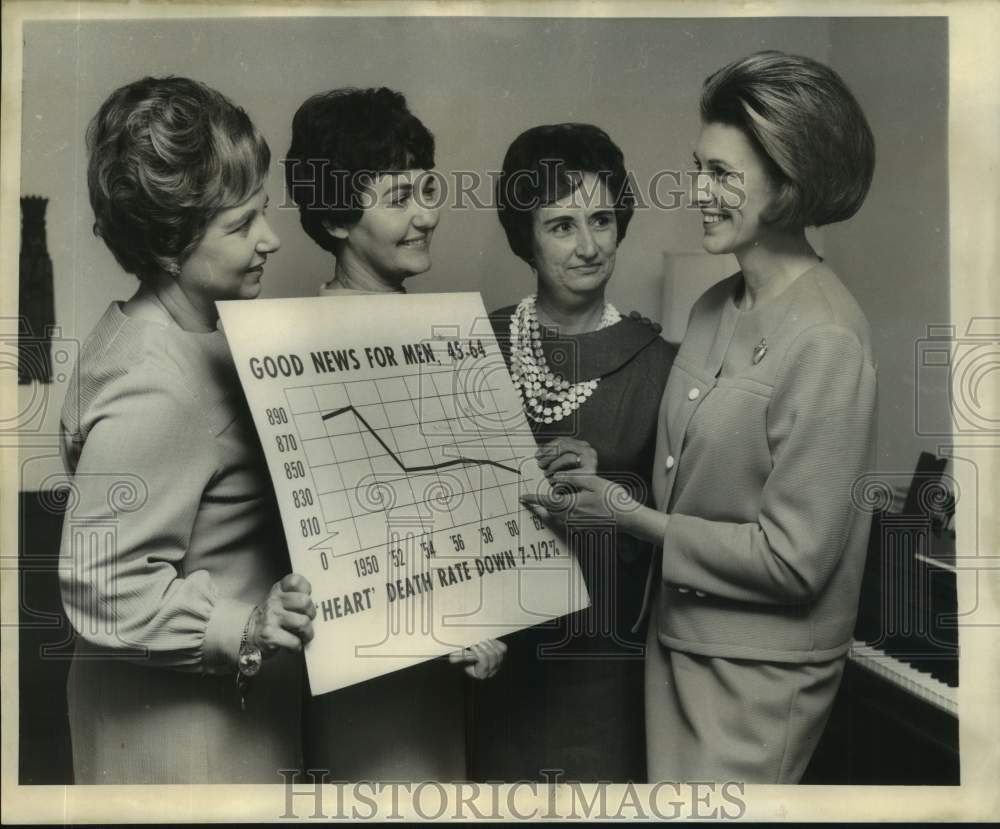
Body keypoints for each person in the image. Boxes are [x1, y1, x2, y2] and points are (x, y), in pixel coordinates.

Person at [524, 51, 878, 783]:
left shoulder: (829, 338)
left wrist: (631, 516)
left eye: (723, 175)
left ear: (788, 182)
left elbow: (793, 560)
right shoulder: (713, 305)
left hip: (757, 682)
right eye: (698, 167)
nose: (697, 192)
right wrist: (613, 480)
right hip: (673, 648)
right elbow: (700, 484)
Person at [59, 76, 315, 784]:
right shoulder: (155, 379)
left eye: (261, 212)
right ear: (170, 245)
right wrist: (247, 626)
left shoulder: (190, 331)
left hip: (225, 711)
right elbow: (98, 577)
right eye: (240, 226)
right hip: (184, 739)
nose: (270, 238)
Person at [285, 86, 506, 780]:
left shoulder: (442, 335)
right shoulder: (299, 350)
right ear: (336, 218)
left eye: (428, 190)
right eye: (399, 198)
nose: (428, 215)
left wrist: (486, 617)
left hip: (443, 677)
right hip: (366, 677)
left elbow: (466, 505)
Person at [467, 123, 676, 782]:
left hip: (599, 667)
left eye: (602, 220)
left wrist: (611, 488)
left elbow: (683, 524)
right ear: (523, 236)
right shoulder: (476, 341)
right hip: (490, 663)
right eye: (561, 225)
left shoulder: (661, 363)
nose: (589, 246)